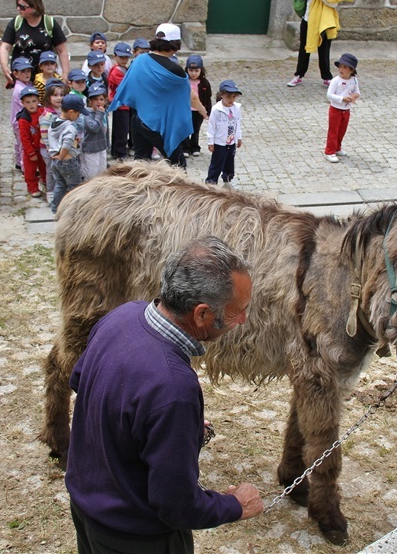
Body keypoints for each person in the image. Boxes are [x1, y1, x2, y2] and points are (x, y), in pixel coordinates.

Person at [65, 235, 263, 554]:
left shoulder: (123, 316)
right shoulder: (175, 389)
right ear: (201, 315)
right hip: (136, 538)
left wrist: (159, 427)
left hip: (86, 509)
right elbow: (176, 506)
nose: (243, 320)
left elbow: (83, 382)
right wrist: (234, 505)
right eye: (238, 310)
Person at [109, 23, 206, 168]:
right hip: (159, 126)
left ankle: (140, 189)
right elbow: (190, 97)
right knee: (178, 165)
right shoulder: (175, 70)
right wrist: (202, 110)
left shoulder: (139, 60)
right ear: (176, 45)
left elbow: (129, 87)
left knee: (141, 165)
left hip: (138, 120)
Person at [287, 0, 342, 88]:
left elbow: (334, 2)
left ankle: (326, 77)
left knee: (324, 50)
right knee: (304, 48)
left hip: (324, 21)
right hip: (309, 18)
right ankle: (299, 75)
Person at [0, 0, 70, 87]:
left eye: (23, 7)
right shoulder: (16, 22)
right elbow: (5, 47)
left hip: (45, 75)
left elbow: (62, 50)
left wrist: (65, 73)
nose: (18, 9)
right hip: (23, 75)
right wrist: (4, 66)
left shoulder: (49, 23)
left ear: (34, 7)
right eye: (18, 5)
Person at [49, 93, 86, 214]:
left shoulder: (54, 123)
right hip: (67, 161)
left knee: (60, 184)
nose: (79, 116)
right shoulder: (70, 127)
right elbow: (66, 143)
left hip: (55, 161)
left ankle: (56, 207)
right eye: (78, 113)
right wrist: (62, 155)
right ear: (71, 112)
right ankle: (72, 210)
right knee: (74, 187)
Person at [324, 53, 360, 162]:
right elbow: (329, 95)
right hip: (335, 109)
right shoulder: (336, 80)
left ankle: (337, 147)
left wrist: (354, 96)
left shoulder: (354, 80)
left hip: (346, 110)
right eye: (340, 66)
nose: (341, 69)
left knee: (342, 130)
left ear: (351, 70)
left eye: (345, 67)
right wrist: (341, 99)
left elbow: (357, 92)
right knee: (333, 130)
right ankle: (329, 151)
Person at [206, 80, 243, 185]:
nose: (231, 99)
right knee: (217, 163)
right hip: (220, 142)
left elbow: (238, 123)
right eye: (228, 96)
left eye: (234, 97)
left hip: (231, 141)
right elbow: (212, 126)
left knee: (229, 162)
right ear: (222, 95)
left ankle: (228, 178)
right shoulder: (217, 109)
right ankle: (211, 182)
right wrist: (210, 141)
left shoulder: (236, 108)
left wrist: (238, 137)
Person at [16, 86, 46, 198]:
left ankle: (45, 180)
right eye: (27, 102)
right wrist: (30, 153)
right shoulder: (24, 119)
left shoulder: (42, 111)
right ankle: (32, 187)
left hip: (43, 147)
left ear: (38, 101)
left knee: (44, 166)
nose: (31, 104)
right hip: (31, 150)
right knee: (30, 170)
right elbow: (24, 138)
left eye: (34, 101)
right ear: (22, 103)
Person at [39, 78, 65, 205]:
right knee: (51, 170)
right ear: (49, 98)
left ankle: (59, 190)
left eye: (61, 95)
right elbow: (44, 134)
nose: (59, 98)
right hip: (48, 149)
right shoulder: (47, 115)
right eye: (55, 95)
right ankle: (50, 191)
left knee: (59, 170)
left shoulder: (63, 112)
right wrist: (50, 148)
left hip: (61, 147)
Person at [183, 55, 212, 158]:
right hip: (185, 110)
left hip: (198, 111)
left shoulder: (204, 83)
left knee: (196, 129)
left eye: (196, 71)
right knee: (185, 129)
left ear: (201, 70)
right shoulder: (184, 81)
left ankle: (195, 147)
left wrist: (208, 111)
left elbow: (208, 98)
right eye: (191, 70)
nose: (193, 73)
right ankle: (185, 147)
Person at [108, 42, 132, 161]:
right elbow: (124, 86)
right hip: (120, 104)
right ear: (115, 56)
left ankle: (117, 151)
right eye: (121, 57)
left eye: (126, 57)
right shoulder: (117, 71)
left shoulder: (123, 69)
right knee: (122, 130)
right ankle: (120, 153)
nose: (124, 60)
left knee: (120, 128)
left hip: (123, 104)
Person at [10, 57, 34, 172]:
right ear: (16, 73)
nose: (27, 74)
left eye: (28, 71)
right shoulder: (20, 89)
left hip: (18, 120)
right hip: (20, 121)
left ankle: (19, 162)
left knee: (18, 142)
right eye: (23, 71)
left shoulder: (26, 84)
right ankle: (25, 167)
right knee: (23, 144)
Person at [81, 83, 108, 181]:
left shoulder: (103, 112)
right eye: (95, 99)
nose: (98, 102)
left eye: (101, 99)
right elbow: (94, 128)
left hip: (101, 147)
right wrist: (99, 114)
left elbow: (105, 131)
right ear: (90, 101)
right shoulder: (87, 114)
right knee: (91, 175)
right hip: (90, 149)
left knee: (102, 172)